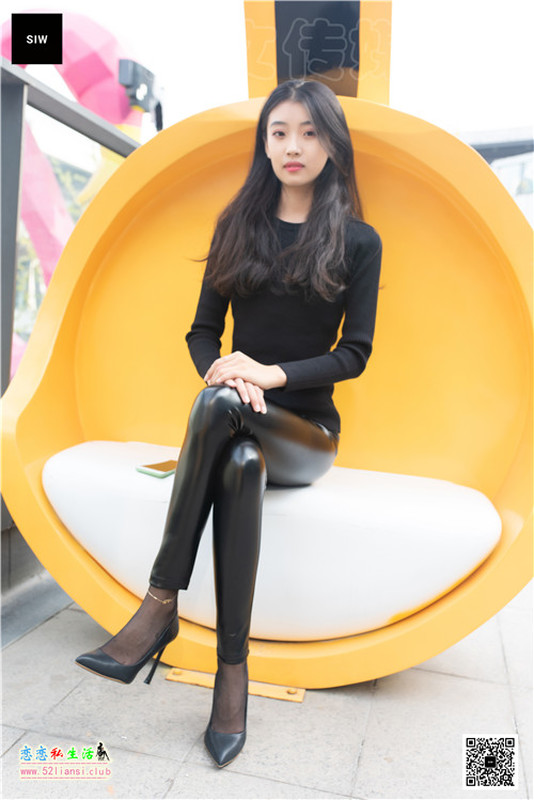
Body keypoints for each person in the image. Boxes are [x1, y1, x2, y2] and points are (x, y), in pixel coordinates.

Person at [75, 78, 382, 769]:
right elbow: (201, 334)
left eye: (309, 132)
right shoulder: (236, 226)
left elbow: (354, 355)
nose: (293, 146)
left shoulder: (358, 241)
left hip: (307, 434)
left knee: (221, 410)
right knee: (239, 461)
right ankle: (231, 674)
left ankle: (159, 604)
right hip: (239, 417)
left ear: (332, 145)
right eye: (279, 132)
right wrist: (226, 373)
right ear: (264, 144)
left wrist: (269, 376)